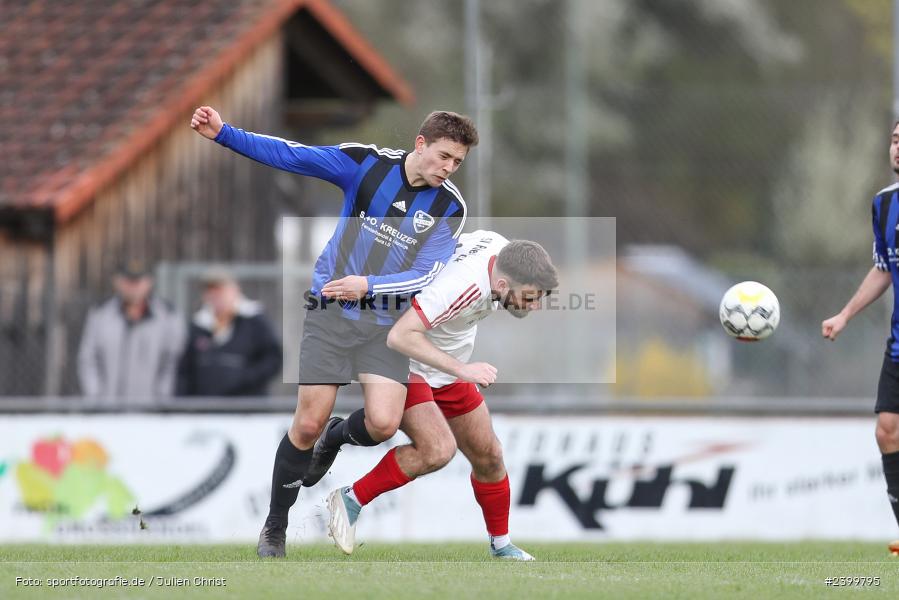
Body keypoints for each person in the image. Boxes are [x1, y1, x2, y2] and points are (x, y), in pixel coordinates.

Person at [190, 106, 477, 557]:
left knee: (383, 424)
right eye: (443, 156)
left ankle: (336, 438)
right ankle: (274, 529)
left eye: (457, 162)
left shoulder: (449, 208)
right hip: (330, 311)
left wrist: (369, 285)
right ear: (420, 144)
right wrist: (225, 134)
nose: (448, 168)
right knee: (306, 422)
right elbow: (292, 155)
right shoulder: (364, 164)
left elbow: (425, 276)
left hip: (385, 324)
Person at [324, 231, 558, 560]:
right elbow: (400, 336)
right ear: (503, 285)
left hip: (444, 364)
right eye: (531, 298)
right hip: (406, 359)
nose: (535, 306)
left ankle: (502, 545)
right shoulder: (464, 288)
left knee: (489, 455)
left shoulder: (502, 250)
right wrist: (464, 370)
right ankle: (350, 498)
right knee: (437, 449)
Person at [822, 121, 899, 556]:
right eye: (894, 139)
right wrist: (846, 314)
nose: (898, 148)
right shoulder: (884, 205)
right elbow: (884, 267)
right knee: (888, 430)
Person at [77, 261, 185, 404]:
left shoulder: (169, 317)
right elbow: (88, 359)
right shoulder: (100, 314)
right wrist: (96, 396)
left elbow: (173, 362)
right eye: (128, 281)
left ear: (149, 282)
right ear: (117, 282)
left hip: (152, 411)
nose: (134, 287)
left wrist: (162, 399)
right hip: (107, 410)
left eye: (138, 281)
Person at [176, 268, 282, 396]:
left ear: (235, 290)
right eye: (211, 291)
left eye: (220, 290)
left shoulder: (255, 322)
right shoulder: (198, 325)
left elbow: (272, 360)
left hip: (248, 408)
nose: (216, 296)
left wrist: (243, 378)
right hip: (205, 408)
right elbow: (185, 369)